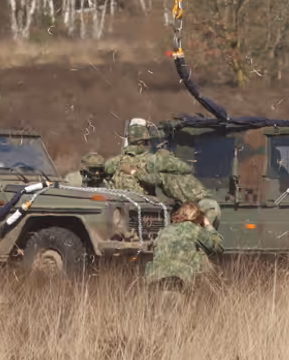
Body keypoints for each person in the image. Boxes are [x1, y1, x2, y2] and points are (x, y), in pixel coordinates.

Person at [82, 118, 213, 213]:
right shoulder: (153, 160)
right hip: (145, 209)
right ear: (144, 141)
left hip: (118, 209)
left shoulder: (113, 162)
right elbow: (185, 168)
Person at [145, 202, 223, 291]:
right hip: (178, 281)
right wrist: (207, 225)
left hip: (154, 280)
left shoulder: (164, 231)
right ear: (197, 217)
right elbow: (218, 247)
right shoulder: (193, 229)